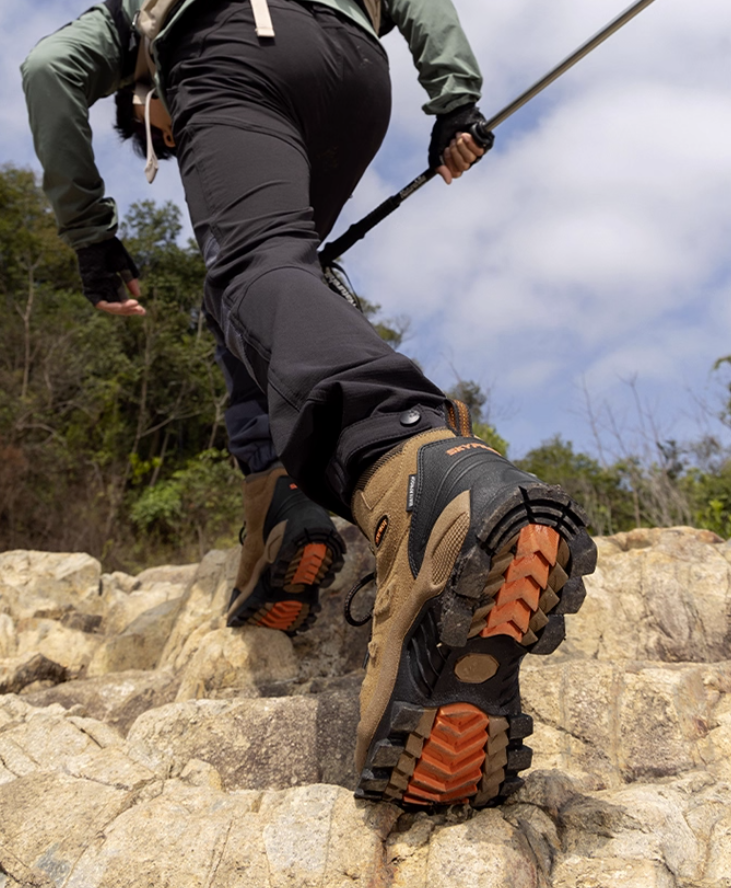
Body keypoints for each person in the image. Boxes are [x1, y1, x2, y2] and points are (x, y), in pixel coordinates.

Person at [22, 0, 596, 810]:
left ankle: (409, 459)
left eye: (163, 136)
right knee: (256, 283)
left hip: (235, 49)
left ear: (150, 107)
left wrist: (91, 236)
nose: (175, 147)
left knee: (249, 269)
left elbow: (47, 69)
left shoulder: (157, 44)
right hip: (357, 76)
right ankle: (284, 504)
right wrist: (454, 101)